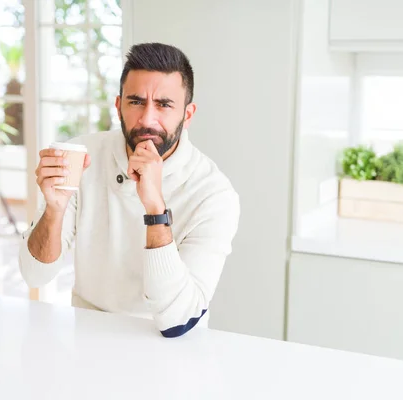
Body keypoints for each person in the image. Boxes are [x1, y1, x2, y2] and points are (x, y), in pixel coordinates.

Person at [19, 42, 240, 338]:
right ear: (118, 105)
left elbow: (177, 321)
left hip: (169, 348)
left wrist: (155, 209)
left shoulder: (213, 194)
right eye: (136, 102)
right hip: (89, 336)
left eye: (164, 104)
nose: (147, 119)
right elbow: (35, 276)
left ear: (188, 115)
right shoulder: (84, 158)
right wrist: (54, 210)